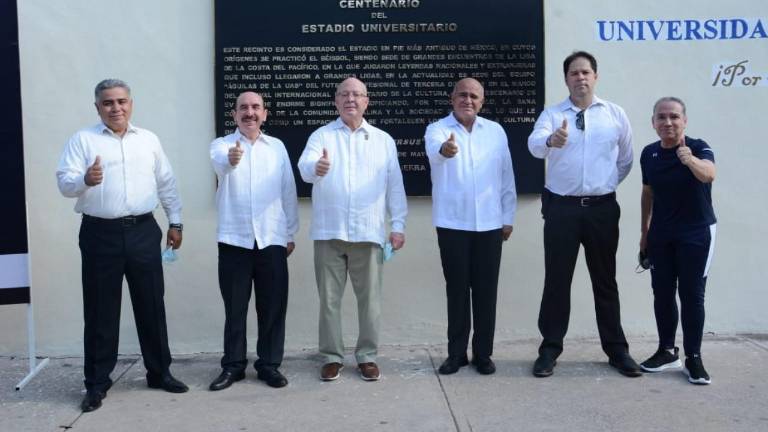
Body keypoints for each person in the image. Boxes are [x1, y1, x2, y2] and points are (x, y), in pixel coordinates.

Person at [56, 79, 188, 413]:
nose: (116, 108)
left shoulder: (148, 139)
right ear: (97, 107)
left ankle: (159, 372)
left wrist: (175, 222)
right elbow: (65, 183)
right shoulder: (82, 140)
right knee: (100, 310)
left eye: (121, 101)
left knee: (151, 304)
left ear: (131, 103)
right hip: (100, 234)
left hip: (144, 230)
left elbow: (166, 183)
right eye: (108, 103)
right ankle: (96, 383)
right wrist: (85, 179)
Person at [527, 51, 642, 378]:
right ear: (566, 79)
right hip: (561, 209)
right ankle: (549, 349)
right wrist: (552, 140)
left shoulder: (614, 114)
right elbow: (534, 146)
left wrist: (602, 186)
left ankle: (617, 350)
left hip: (601, 210)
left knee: (605, 280)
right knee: (557, 281)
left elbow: (625, 160)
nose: (580, 78)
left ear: (595, 76)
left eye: (586, 72)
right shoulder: (552, 115)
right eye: (574, 73)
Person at [297, 77, 407, 382]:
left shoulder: (383, 140)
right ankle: (332, 357)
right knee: (329, 301)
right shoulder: (321, 136)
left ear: (366, 101)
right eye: (344, 94)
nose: (350, 99)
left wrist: (398, 225)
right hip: (329, 232)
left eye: (357, 94)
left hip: (368, 232)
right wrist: (316, 168)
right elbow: (305, 168)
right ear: (336, 101)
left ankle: (367, 356)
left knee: (370, 301)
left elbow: (395, 187)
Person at [425, 78, 517, 375]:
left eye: (474, 96)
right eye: (462, 95)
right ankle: (456, 354)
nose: (468, 100)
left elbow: (506, 176)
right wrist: (446, 150)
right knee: (457, 291)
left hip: (490, 223)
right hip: (452, 223)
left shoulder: (496, 131)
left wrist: (507, 217)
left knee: (486, 292)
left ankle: (483, 354)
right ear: (452, 98)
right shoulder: (437, 129)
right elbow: (436, 152)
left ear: (482, 101)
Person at [208, 91, 298, 390]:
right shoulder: (221, 145)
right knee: (235, 308)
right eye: (243, 108)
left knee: (272, 307)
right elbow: (221, 164)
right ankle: (233, 366)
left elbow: (288, 190)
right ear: (234, 115)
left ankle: (269, 365)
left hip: (272, 238)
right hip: (234, 239)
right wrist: (232, 159)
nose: (250, 112)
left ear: (264, 113)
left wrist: (289, 233)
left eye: (255, 107)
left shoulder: (277, 147)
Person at [639, 97, 716, 385]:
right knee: (662, 292)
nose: (668, 122)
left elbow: (709, 174)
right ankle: (667, 351)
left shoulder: (698, 146)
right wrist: (644, 233)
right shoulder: (649, 153)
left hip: (696, 232)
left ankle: (693, 357)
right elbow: (648, 193)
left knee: (692, 294)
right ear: (653, 122)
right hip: (661, 234)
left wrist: (689, 159)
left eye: (674, 116)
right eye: (661, 117)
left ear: (684, 120)